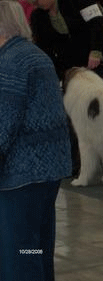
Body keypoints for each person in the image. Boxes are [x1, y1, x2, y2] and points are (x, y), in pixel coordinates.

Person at [0, 1, 72, 280]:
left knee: (17, 253)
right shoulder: (33, 54)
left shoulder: (8, 63)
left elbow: (2, 125)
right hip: (48, 173)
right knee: (36, 248)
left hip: (21, 176)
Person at [28, 0, 103, 83]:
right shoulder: (37, 17)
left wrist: (96, 50)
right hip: (73, 70)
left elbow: (96, 22)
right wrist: (58, 73)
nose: (35, 3)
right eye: (33, 1)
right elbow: (44, 48)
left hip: (102, 62)